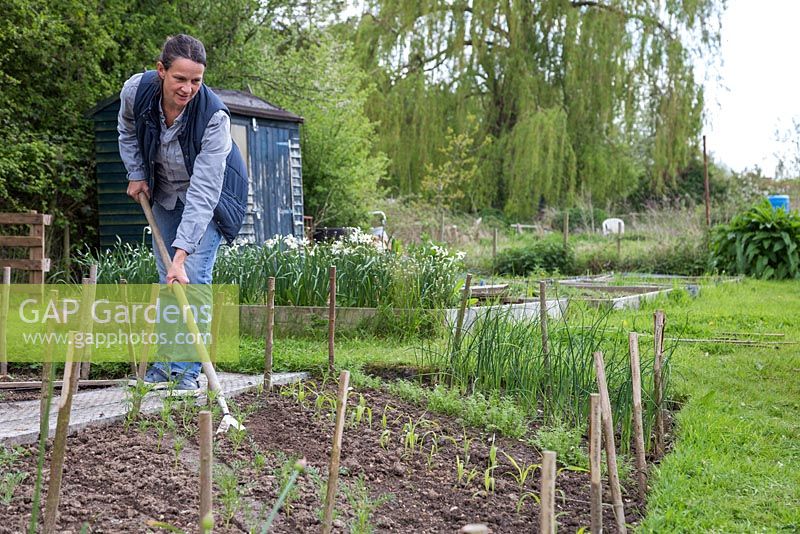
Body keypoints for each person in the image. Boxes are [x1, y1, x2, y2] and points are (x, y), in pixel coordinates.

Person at [118, 34, 248, 391]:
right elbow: (127, 131)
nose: (188, 88)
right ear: (161, 71)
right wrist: (136, 173)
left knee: (189, 276)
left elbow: (205, 191)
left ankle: (186, 373)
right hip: (163, 191)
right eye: (180, 78)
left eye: (196, 80)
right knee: (168, 280)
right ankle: (166, 366)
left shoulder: (213, 118)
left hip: (210, 198)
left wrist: (182, 252)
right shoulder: (136, 92)